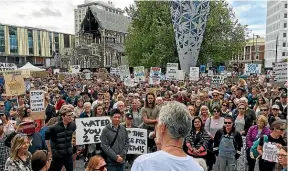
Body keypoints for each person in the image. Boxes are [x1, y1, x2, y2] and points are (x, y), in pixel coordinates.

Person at [131, 101, 204, 171]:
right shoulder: (197, 167)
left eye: (157, 124)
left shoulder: (143, 163)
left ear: (163, 128)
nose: (156, 128)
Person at [45, 105, 76, 171]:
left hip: (68, 155)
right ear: (63, 116)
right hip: (57, 156)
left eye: (71, 115)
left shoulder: (73, 124)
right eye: (68, 115)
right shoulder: (54, 127)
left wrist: (73, 143)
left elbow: (73, 134)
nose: (70, 117)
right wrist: (50, 151)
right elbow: (46, 138)